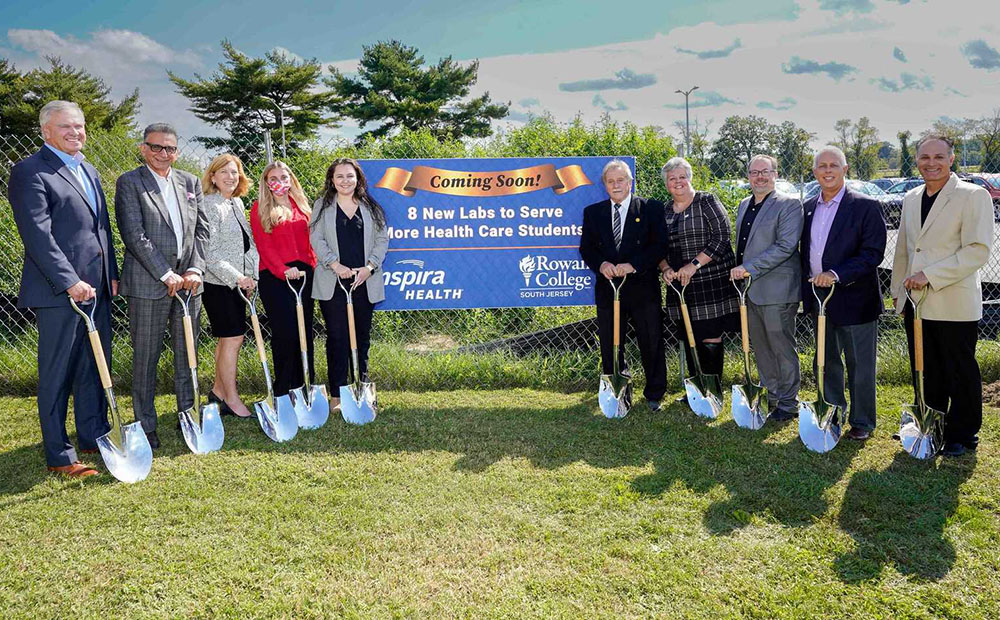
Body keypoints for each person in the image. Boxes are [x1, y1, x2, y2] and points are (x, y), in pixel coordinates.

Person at [8, 100, 118, 477]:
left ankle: (93, 433)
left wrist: (111, 273)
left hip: (98, 288)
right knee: (57, 372)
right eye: (66, 127)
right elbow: (38, 236)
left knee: (92, 364)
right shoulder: (30, 172)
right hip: (60, 292)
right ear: (46, 131)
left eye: (80, 126)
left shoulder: (88, 169)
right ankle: (60, 454)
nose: (76, 133)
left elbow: (100, 228)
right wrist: (70, 281)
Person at [891, 134, 994, 456]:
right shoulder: (910, 198)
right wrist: (898, 293)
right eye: (924, 157)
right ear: (916, 161)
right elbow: (905, 251)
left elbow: (977, 251)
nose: (931, 163)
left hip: (953, 300)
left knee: (958, 369)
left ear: (952, 159)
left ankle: (962, 434)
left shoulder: (972, 196)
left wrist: (930, 276)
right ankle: (930, 423)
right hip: (916, 302)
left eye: (938, 157)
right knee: (925, 367)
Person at [115, 123, 208, 450]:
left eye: (169, 148)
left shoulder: (190, 182)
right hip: (149, 284)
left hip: (189, 284)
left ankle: (188, 414)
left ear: (177, 151)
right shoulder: (130, 182)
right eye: (156, 147)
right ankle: (145, 424)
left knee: (188, 355)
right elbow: (134, 234)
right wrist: (166, 274)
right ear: (144, 148)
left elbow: (201, 232)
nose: (163, 154)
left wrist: (195, 268)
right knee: (146, 358)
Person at [800, 146, 886, 441]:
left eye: (833, 165)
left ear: (845, 169)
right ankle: (831, 411)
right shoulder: (808, 207)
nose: (827, 170)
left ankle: (862, 421)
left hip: (855, 299)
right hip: (820, 300)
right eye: (821, 166)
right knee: (825, 360)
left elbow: (872, 254)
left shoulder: (865, 206)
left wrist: (836, 275)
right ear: (814, 173)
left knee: (859, 364)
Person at [579, 159, 667, 410]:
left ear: (630, 182)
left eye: (621, 180)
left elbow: (659, 246)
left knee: (650, 340)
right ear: (605, 185)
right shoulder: (593, 212)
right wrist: (602, 264)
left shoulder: (650, 208)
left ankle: (654, 393)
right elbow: (586, 248)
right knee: (611, 342)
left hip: (642, 287)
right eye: (611, 181)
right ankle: (618, 390)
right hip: (609, 289)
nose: (616, 185)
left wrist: (633, 265)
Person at [310, 159, 389, 408]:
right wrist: (335, 265)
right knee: (337, 337)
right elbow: (316, 238)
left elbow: (381, 239)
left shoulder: (370, 206)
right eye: (340, 176)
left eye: (350, 176)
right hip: (333, 281)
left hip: (364, 281)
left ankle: (360, 391)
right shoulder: (322, 206)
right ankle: (337, 394)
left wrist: (369, 268)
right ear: (332, 180)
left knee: (361, 338)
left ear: (358, 179)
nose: (345, 181)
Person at [730, 155, 804, 421]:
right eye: (754, 172)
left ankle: (788, 402)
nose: (759, 177)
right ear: (748, 176)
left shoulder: (789, 204)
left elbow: (785, 246)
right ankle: (770, 395)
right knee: (760, 346)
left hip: (777, 289)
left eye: (765, 172)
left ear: (775, 174)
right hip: (749, 290)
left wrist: (749, 269)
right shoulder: (743, 205)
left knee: (780, 345)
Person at [658, 157, 739, 385]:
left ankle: (712, 387)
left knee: (709, 332)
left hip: (710, 279)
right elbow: (657, 247)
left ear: (690, 178)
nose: (678, 182)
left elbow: (722, 237)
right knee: (689, 334)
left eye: (682, 177)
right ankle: (696, 387)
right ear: (666, 184)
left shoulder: (706, 201)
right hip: (680, 284)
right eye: (672, 179)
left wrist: (693, 265)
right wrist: (665, 268)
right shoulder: (664, 211)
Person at [250, 161, 317, 400]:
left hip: (304, 275)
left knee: (304, 331)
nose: (280, 182)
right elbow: (264, 246)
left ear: (291, 180)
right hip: (276, 276)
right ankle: (283, 389)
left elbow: (311, 243)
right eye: (274, 178)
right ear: (267, 183)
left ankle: (305, 385)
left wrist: (312, 266)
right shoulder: (260, 208)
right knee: (285, 333)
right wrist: (282, 270)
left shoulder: (302, 206)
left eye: (284, 177)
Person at [201, 154, 259, 418]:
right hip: (219, 283)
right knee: (233, 338)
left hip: (238, 284)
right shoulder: (210, 205)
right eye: (223, 172)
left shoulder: (236, 202)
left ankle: (218, 391)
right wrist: (237, 277)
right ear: (212, 176)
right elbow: (209, 253)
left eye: (234, 172)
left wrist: (251, 276)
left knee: (228, 339)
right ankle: (232, 399)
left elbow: (248, 245)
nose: (229, 177)